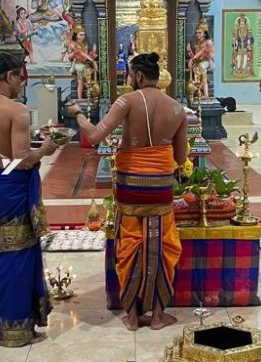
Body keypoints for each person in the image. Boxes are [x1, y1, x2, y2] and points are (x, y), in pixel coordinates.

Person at [65, 52, 187, 331]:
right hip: (161, 187)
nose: (128, 80)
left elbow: (94, 136)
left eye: (129, 75)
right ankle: (158, 316)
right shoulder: (177, 108)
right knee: (161, 245)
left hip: (131, 187)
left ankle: (132, 316)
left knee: (130, 243)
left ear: (139, 76)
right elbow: (180, 158)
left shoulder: (127, 101)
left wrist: (78, 114)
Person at [0, 52, 58, 346]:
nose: (21, 85)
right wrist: (45, 149)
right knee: (18, 254)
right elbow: (22, 160)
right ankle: (17, 329)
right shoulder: (17, 111)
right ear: (9, 76)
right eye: (20, 78)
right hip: (14, 189)